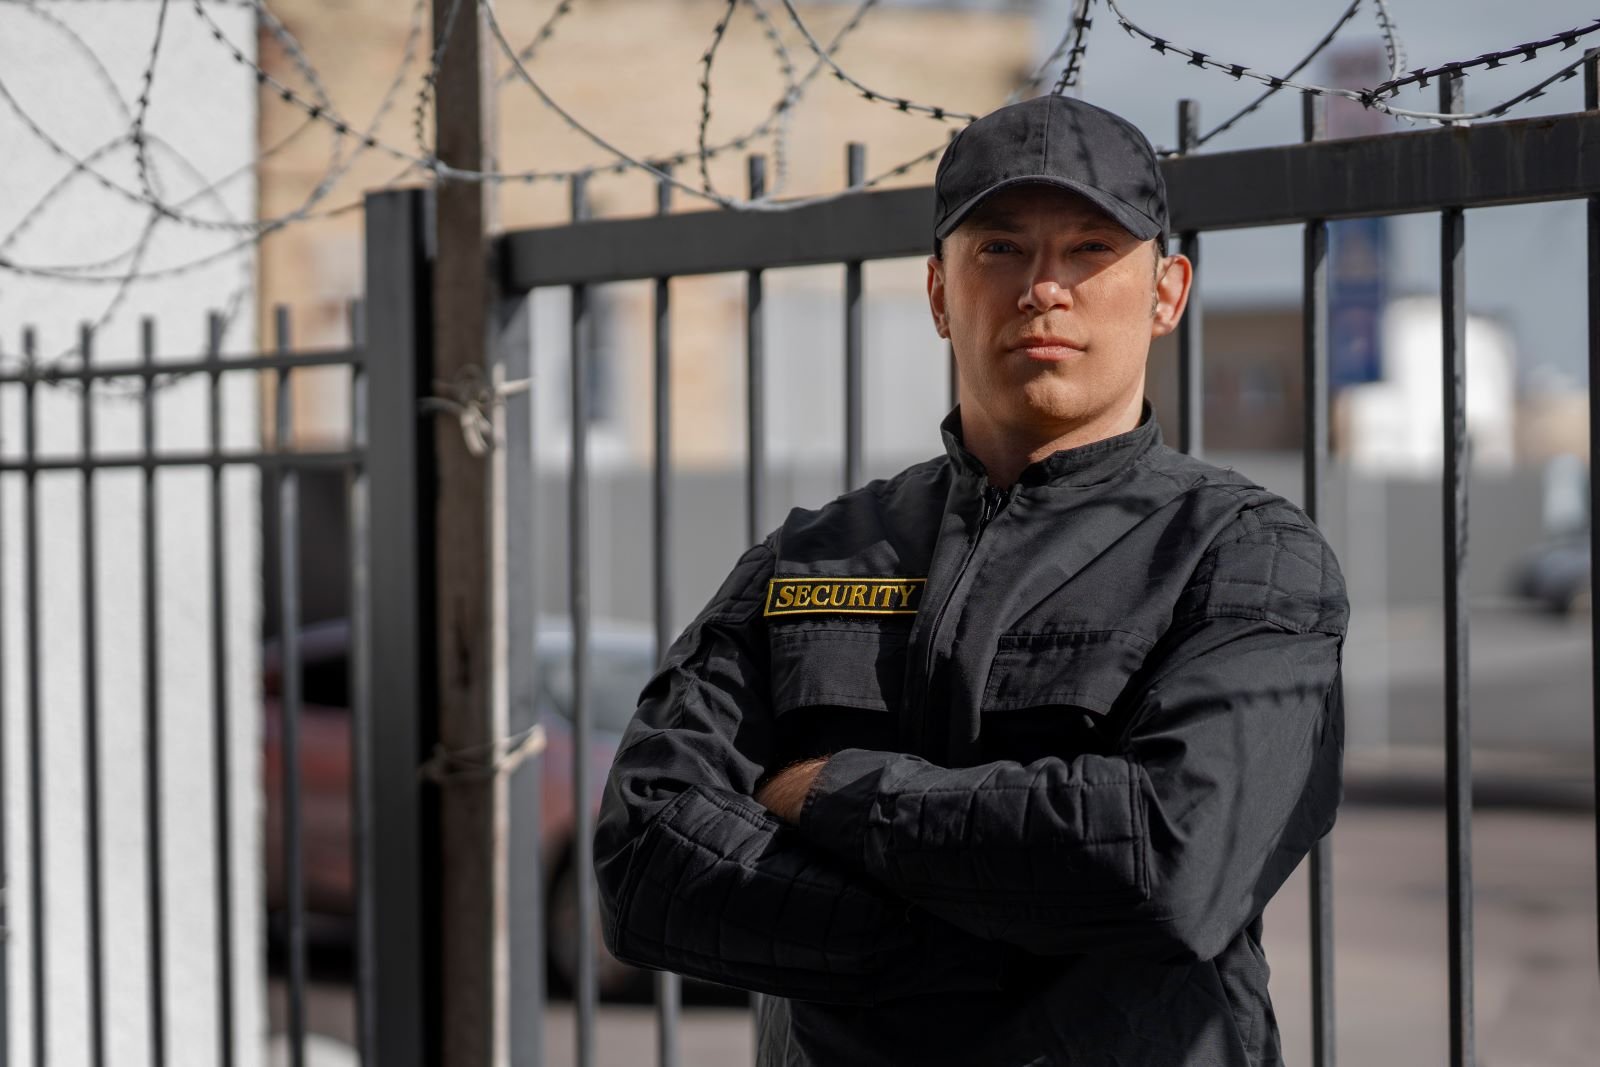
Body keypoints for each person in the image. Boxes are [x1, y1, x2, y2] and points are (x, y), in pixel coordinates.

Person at [594, 93, 1347, 1067]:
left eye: (1087, 248)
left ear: (1166, 291)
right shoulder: (813, 557)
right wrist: (1010, 937)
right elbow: (644, 860)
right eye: (999, 249)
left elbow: (1170, 858)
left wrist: (831, 791)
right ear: (940, 292)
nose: (1044, 287)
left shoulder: (1241, 557)